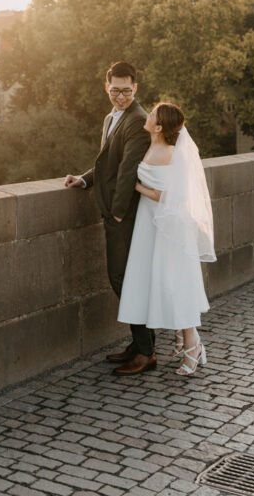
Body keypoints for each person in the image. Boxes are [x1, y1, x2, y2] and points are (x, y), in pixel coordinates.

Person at [64, 61, 154, 375]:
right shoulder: (112, 117)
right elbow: (108, 162)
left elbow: (128, 170)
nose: (120, 97)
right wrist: (86, 179)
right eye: (115, 90)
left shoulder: (139, 121)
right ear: (107, 87)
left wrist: (116, 213)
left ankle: (146, 351)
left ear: (136, 88)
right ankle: (139, 343)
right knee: (123, 279)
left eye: (126, 91)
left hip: (124, 215)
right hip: (116, 212)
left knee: (124, 279)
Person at [117, 102, 216, 376]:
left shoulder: (173, 154)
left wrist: (139, 188)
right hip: (149, 225)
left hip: (168, 226)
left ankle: (193, 344)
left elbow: (176, 196)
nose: (147, 116)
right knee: (160, 281)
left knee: (174, 282)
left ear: (159, 127)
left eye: (152, 115)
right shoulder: (149, 144)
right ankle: (181, 339)